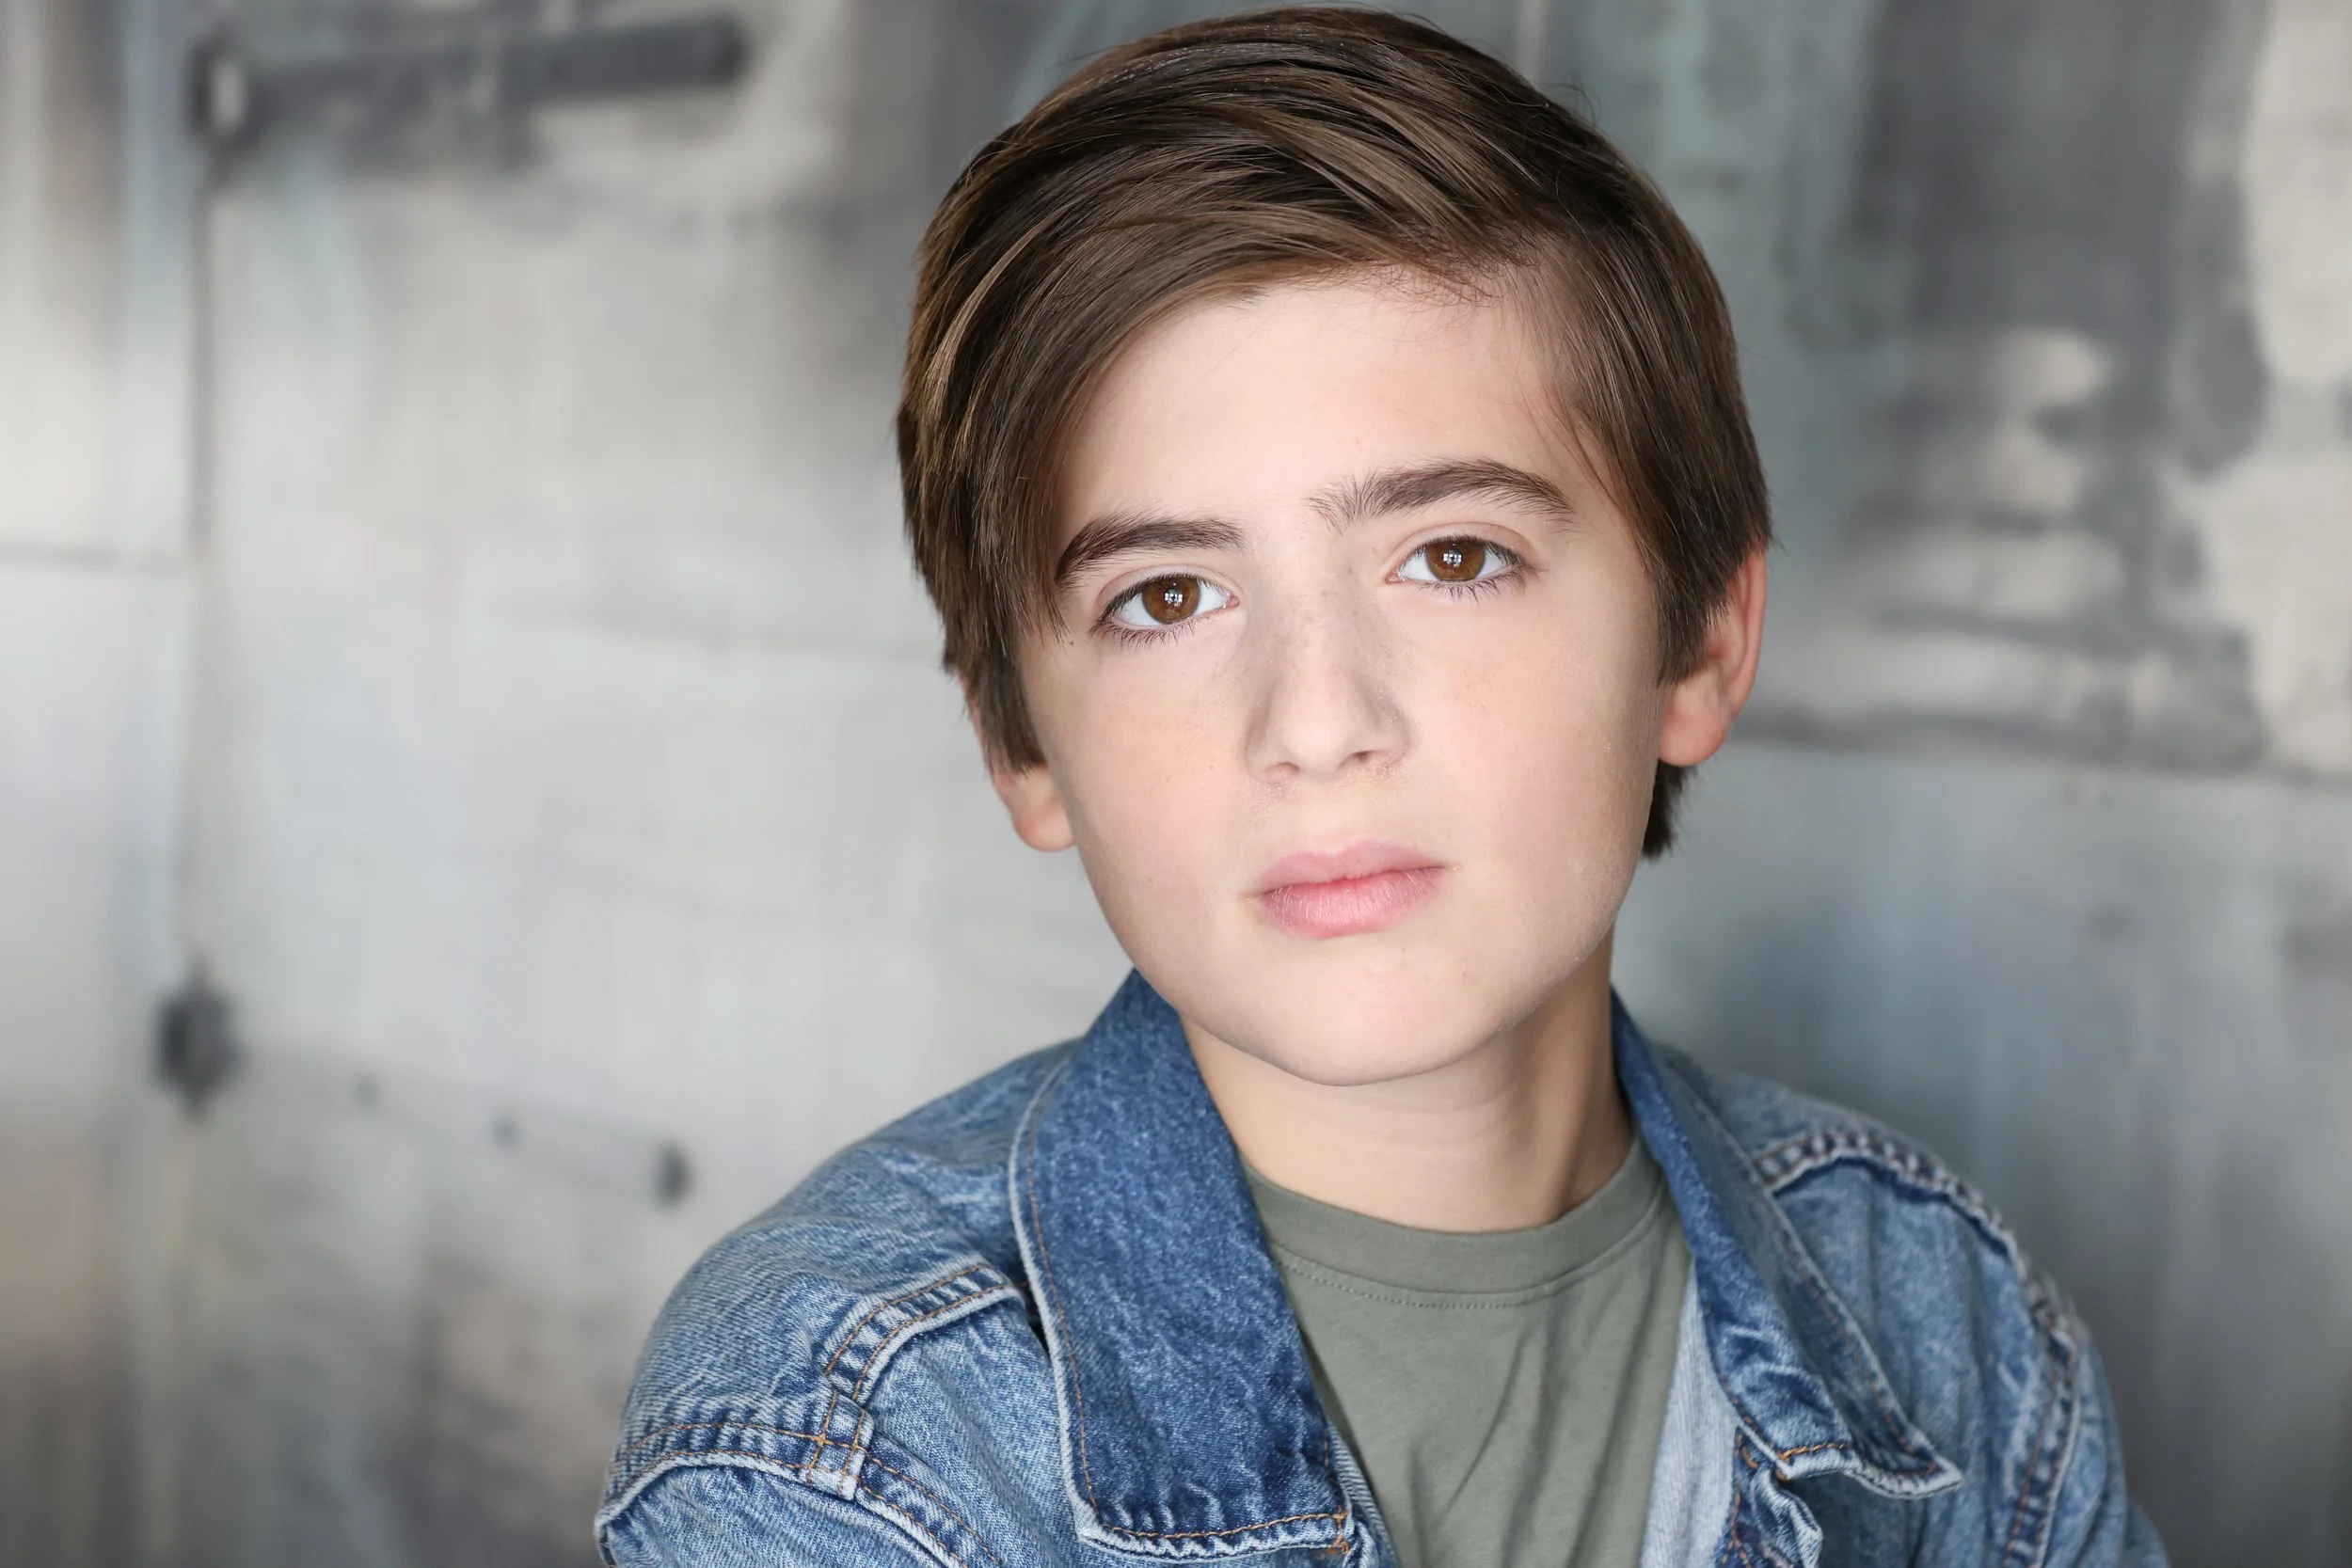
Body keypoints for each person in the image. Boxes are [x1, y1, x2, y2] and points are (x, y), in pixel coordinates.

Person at [594, 10, 2166, 1566]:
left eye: (1453, 556)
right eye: (1166, 596)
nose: (1318, 719)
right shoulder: (835, 1439)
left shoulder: (1949, 1315)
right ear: (1023, 743)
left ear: (1698, 640)